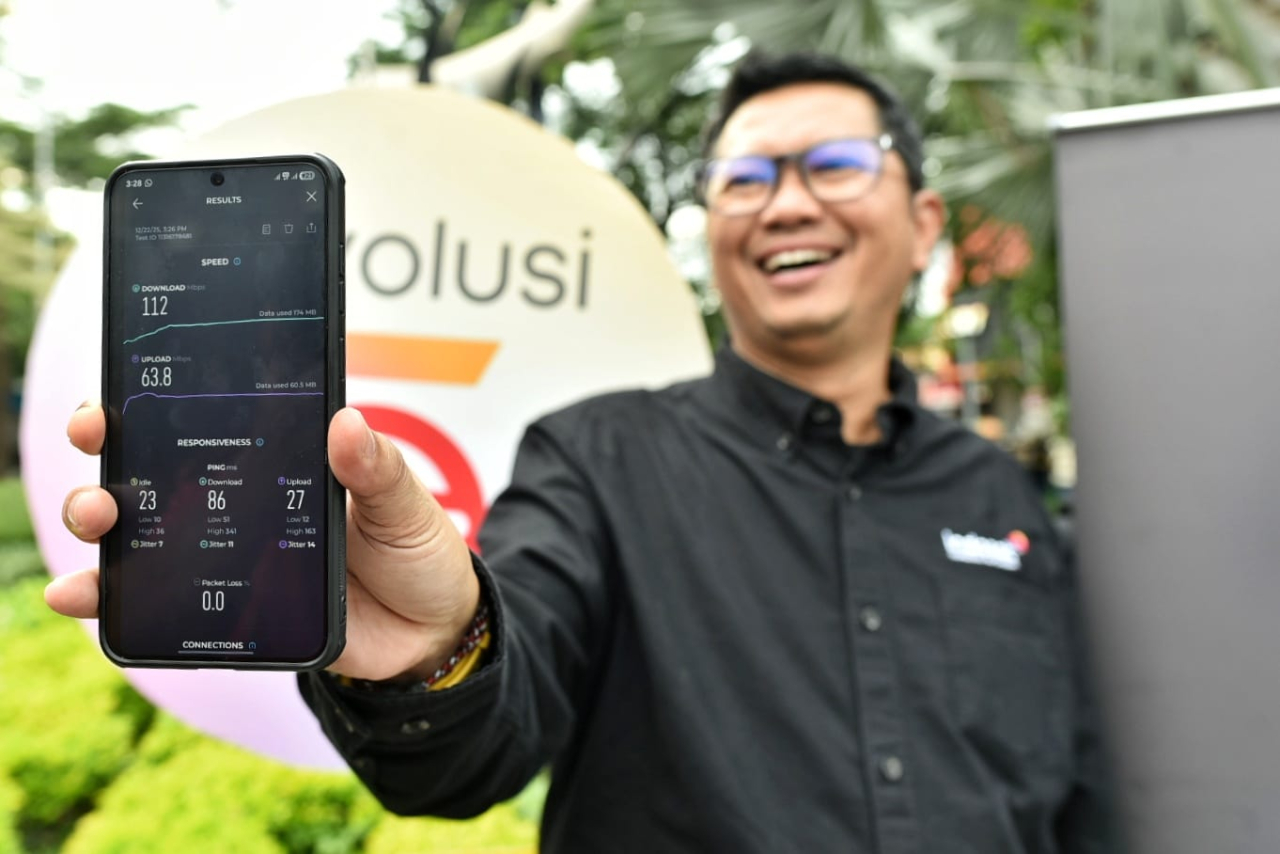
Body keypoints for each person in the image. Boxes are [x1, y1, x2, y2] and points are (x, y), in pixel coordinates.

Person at [50, 51, 1114, 853]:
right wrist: (435, 651)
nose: (786, 202)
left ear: (923, 223)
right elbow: (475, 753)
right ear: (710, 227)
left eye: (834, 165)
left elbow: (1080, 788)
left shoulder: (1002, 496)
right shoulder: (598, 455)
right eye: (744, 178)